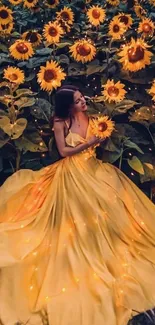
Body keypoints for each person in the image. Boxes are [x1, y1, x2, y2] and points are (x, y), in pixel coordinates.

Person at [0, 84, 155, 325]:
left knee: (112, 202)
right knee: (74, 213)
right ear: (68, 106)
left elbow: (100, 139)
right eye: (78, 100)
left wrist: (100, 137)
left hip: (94, 169)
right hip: (71, 170)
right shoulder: (61, 122)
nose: (83, 101)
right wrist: (90, 142)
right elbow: (64, 151)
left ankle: (112, 242)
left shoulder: (91, 116)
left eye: (82, 97)